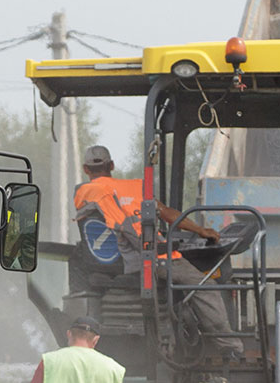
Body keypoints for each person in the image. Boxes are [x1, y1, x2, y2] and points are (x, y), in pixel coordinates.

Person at [73, 146, 243, 360]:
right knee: (204, 285)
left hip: (118, 265)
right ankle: (228, 347)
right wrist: (201, 230)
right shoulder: (133, 189)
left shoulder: (82, 193)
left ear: (86, 169)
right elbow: (167, 213)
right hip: (157, 258)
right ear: (112, 166)